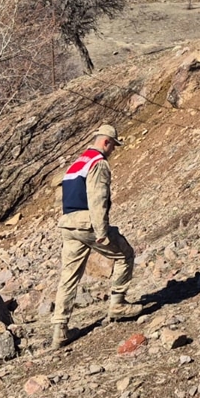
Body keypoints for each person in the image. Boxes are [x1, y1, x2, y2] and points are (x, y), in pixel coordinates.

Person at [51, 123, 142, 349]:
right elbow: (98, 198)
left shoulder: (76, 164)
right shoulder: (98, 164)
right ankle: (118, 304)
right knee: (125, 255)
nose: (113, 151)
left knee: (69, 276)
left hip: (68, 224)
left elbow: (63, 197)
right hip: (87, 222)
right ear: (106, 142)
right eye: (113, 146)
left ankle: (60, 330)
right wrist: (101, 231)